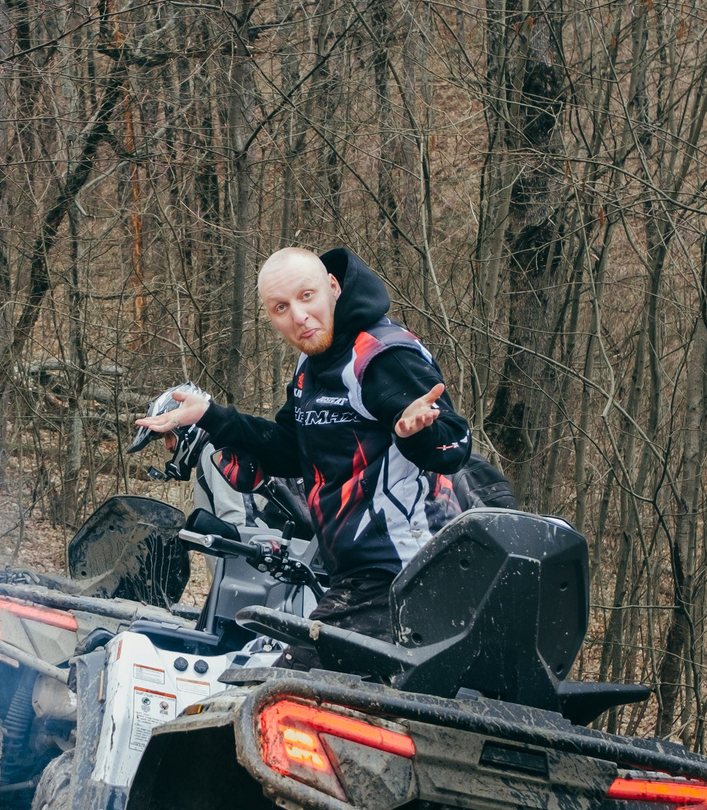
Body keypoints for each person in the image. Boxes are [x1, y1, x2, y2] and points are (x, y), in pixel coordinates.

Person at [135, 245, 473, 659]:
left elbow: (454, 445)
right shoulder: (309, 366)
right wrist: (210, 416)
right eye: (281, 307)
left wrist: (415, 433)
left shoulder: (381, 356)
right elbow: (289, 451)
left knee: (277, 695)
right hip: (354, 578)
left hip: (408, 573)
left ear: (332, 287)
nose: (298, 316)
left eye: (306, 296)